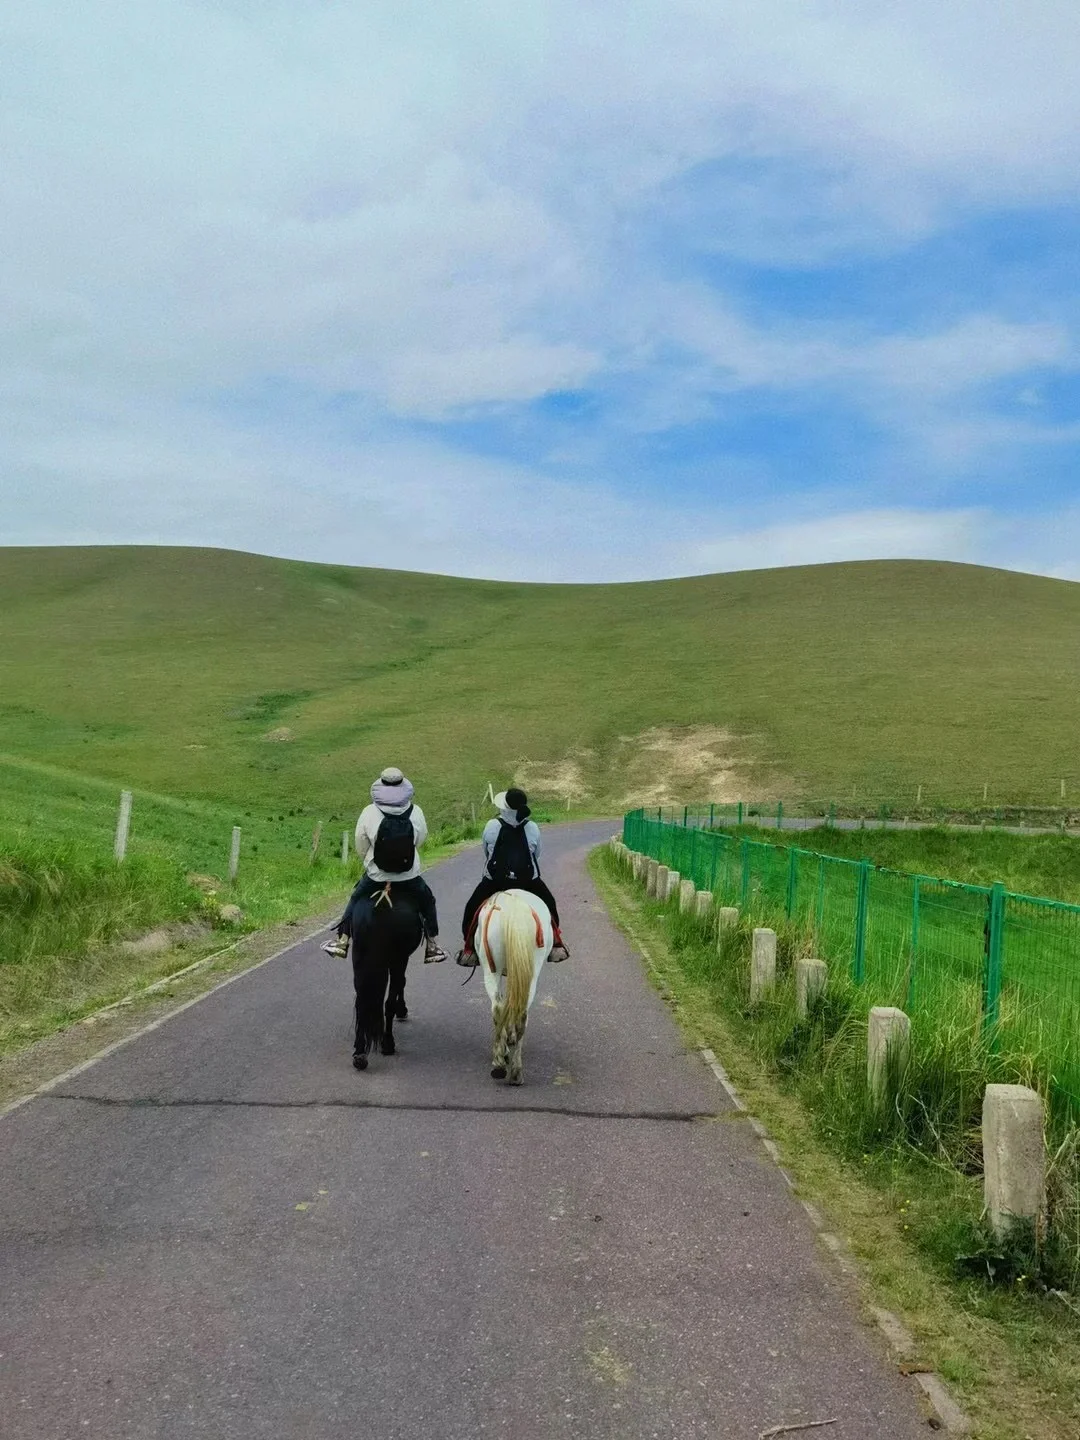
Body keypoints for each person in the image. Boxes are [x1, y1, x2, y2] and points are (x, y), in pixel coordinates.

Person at [321, 767, 449, 963]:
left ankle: (342, 940)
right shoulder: (417, 812)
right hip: (408, 877)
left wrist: (371, 860)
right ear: (403, 786)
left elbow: (360, 845)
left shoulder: (369, 811)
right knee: (427, 900)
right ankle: (432, 944)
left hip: (376, 877)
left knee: (355, 898)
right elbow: (420, 840)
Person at [456, 787, 569, 966]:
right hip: (528, 882)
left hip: (495, 882)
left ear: (504, 806)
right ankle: (556, 944)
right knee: (550, 904)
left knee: (471, 909)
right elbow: (536, 854)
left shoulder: (492, 825)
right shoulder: (532, 827)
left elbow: (486, 851)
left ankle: (469, 950)